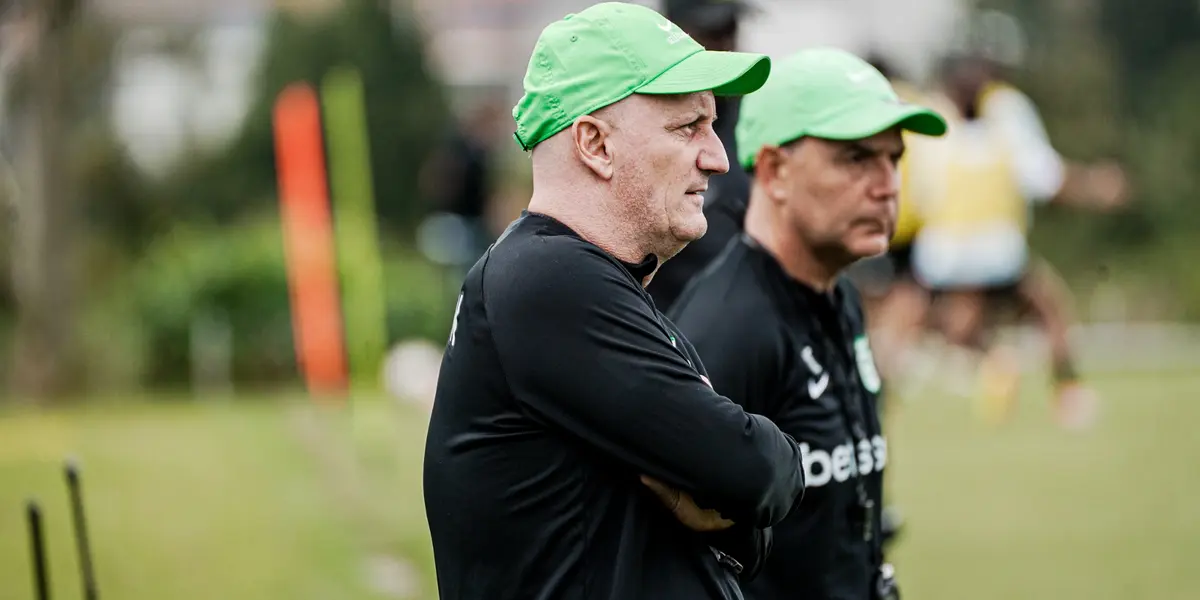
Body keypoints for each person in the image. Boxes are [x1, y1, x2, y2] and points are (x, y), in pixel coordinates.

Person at [422, 4, 806, 599]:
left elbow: (751, 533)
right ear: (595, 144)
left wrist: (740, 499)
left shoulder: (584, 277)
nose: (719, 157)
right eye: (687, 128)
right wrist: (745, 483)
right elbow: (757, 470)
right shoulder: (550, 279)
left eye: (713, 124)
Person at [670, 48, 948, 600]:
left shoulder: (839, 295)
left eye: (894, 159)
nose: (887, 184)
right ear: (774, 172)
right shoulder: (728, 325)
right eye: (856, 159)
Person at [906, 48, 1127, 428]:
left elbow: (919, 192)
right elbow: (1047, 179)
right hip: (997, 251)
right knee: (1050, 311)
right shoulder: (1008, 115)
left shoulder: (929, 119)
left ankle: (988, 365)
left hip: (943, 256)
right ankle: (1068, 394)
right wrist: (1095, 187)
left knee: (953, 326)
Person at [646, 0, 757, 312]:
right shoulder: (645, 127)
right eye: (713, 32)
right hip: (667, 321)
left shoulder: (753, 121)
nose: (727, 44)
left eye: (732, 29)